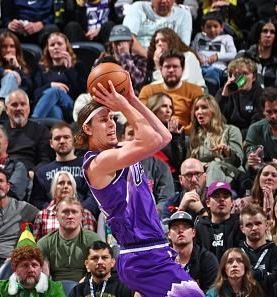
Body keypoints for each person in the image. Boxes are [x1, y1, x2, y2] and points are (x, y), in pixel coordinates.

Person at [78, 76, 204, 295]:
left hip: (151, 250)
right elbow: (152, 140)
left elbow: (163, 137)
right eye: (103, 120)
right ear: (87, 129)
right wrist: (123, 105)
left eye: (112, 118)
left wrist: (133, 99)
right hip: (141, 254)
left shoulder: (119, 151)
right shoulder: (98, 163)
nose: (111, 123)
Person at [31, 121, 98, 216]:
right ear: (51, 143)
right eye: (57, 138)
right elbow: (37, 201)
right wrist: (55, 212)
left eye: (66, 137)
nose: (62, 141)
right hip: (53, 220)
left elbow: (94, 195)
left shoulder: (87, 165)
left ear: (74, 140)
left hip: (84, 218)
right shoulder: (42, 172)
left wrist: (77, 211)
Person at [139, 49, 204, 134]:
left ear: (183, 69)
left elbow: (198, 121)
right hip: (154, 135)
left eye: (175, 66)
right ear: (161, 69)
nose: (171, 70)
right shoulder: (148, 90)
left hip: (185, 136)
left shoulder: (195, 90)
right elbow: (140, 117)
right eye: (167, 66)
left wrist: (182, 132)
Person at [37, 196, 101, 282]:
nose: (70, 216)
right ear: (56, 215)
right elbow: (43, 277)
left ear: (82, 216)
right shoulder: (44, 243)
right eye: (65, 212)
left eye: (74, 212)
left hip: (86, 287)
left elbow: (99, 271)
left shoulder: (94, 240)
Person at [120, 122, 175, 216]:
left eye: (139, 134)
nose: (135, 138)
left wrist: (150, 215)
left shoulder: (160, 166)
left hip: (152, 217)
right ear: (122, 138)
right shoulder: (114, 164)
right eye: (131, 133)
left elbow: (166, 199)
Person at [189, 94, 244, 186]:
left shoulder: (231, 130)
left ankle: (211, 197)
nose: (199, 112)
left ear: (213, 111)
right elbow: (190, 162)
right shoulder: (195, 136)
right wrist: (202, 166)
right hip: (205, 174)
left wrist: (227, 152)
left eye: (204, 107)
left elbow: (238, 162)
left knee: (214, 166)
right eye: (196, 109)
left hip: (230, 174)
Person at [31, 32, 87, 121]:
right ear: (48, 49)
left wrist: (70, 70)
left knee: (56, 91)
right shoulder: (41, 69)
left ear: (66, 47)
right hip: (50, 109)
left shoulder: (77, 66)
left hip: (70, 108)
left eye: (59, 44)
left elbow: (81, 93)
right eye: (52, 45)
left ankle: (33, 123)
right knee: (54, 109)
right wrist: (50, 85)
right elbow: (35, 95)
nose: (56, 47)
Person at [239, 204, 277, 294]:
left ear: (266, 225)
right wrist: (264, 274)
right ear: (242, 229)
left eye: (258, 223)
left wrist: (245, 277)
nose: (254, 228)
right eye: (249, 225)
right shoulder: (235, 253)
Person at [0, 237, 65, 297]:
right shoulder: (1, 289)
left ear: (41, 268)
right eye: (25, 265)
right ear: (15, 269)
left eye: (34, 265)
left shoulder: (54, 289)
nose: (31, 270)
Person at [33, 171, 96, 241]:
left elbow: (90, 244)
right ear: (54, 188)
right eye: (61, 183)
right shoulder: (42, 215)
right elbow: (36, 247)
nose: (66, 186)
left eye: (69, 183)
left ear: (74, 190)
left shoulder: (85, 214)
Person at [3, 89, 52, 177]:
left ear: (28, 109)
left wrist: (33, 172)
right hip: (4, 174)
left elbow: (44, 160)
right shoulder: (0, 131)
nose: (19, 108)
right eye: (14, 105)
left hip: (29, 175)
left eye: (23, 104)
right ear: (6, 109)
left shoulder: (40, 130)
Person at [168, 211, 219, 292]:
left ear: (193, 233)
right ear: (169, 235)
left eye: (185, 227)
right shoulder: (163, 260)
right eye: (175, 227)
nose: (180, 231)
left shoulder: (207, 259)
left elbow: (211, 293)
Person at [122, 0, 193, 57]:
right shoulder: (138, 7)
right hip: (140, 58)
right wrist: (150, 58)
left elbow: (184, 46)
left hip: (169, 60)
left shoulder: (184, 15)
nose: (164, 1)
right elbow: (127, 37)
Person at [215, 57, 263, 139]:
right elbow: (215, 119)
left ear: (254, 77)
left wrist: (235, 136)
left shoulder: (260, 94)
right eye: (237, 74)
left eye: (245, 73)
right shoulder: (223, 92)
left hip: (249, 138)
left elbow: (256, 126)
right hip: (225, 136)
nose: (241, 78)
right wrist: (224, 96)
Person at [195, 181, 244, 261]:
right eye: (216, 196)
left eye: (226, 196)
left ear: (232, 202)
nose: (221, 199)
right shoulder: (200, 227)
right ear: (208, 203)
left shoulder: (240, 224)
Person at [146, 92, 187, 185]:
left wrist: (174, 138)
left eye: (171, 107)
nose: (169, 110)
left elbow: (178, 163)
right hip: (147, 173)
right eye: (164, 106)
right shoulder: (144, 129)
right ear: (154, 108)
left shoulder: (177, 130)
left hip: (170, 177)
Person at [191, 11, 237, 94]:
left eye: (215, 26)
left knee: (211, 75)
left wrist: (217, 56)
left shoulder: (226, 38)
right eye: (208, 27)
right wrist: (196, 56)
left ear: (222, 27)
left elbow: (234, 54)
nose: (212, 30)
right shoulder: (199, 37)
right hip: (199, 68)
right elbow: (191, 50)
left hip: (217, 70)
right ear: (203, 28)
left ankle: (210, 93)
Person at [69, 241, 133, 297]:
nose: (100, 262)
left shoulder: (124, 288)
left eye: (104, 257)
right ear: (87, 264)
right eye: (94, 258)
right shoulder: (78, 291)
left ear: (112, 262)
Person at [237, 20, 277, 88]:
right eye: (265, 31)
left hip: (271, 96)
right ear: (258, 34)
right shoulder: (244, 56)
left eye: (272, 32)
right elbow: (237, 82)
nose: (268, 35)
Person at [101, 25, 147, 94]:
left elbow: (138, 81)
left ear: (131, 42)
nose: (120, 46)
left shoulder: (140, 59)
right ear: (111, 43)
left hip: (130, 95)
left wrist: (125, 56)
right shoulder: (104, 59)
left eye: (124, 42)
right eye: (117, 42)